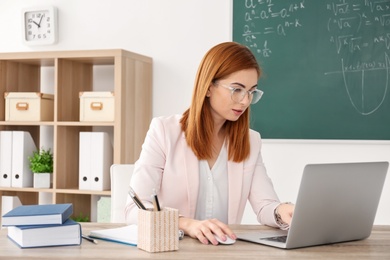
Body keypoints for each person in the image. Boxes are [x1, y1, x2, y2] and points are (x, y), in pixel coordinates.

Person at [125, 41, 294, 245]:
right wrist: (187, 224)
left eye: (251, 92)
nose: (245, 101)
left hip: (222, 250)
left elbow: (265, 205)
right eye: (237, 89)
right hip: (172, 250)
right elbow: (135, 210)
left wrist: (282, 211)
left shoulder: (251, 140)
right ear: (208, 87)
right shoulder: (164, 131)